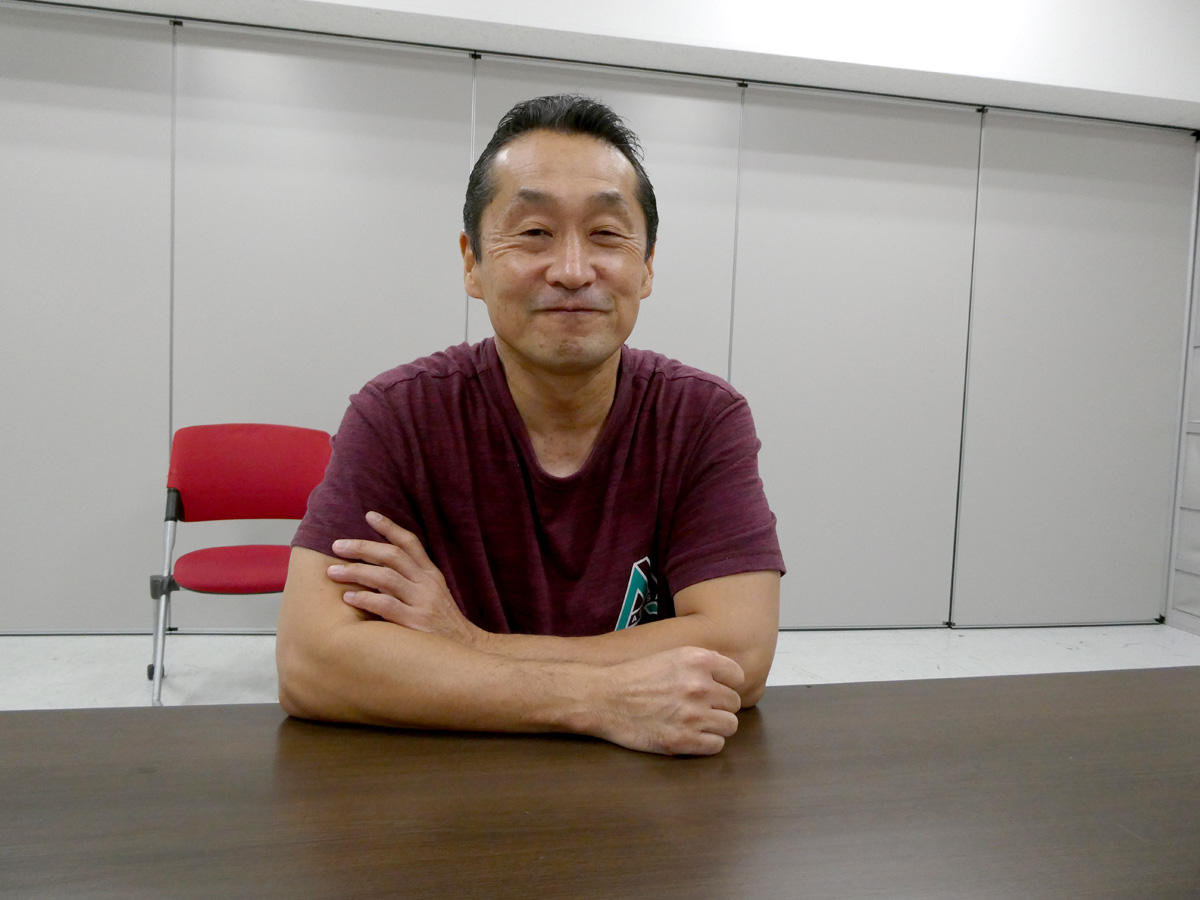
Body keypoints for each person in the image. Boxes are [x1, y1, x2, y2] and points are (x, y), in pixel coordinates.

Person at [276, 94, 784, 756]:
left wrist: (468, 644)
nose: (572, 270)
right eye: (534, 232)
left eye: (607, 235)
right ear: (472, 263)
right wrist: (599, 699)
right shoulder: (398, 416)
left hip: (646, 797)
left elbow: (739, 650)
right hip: (445, 792)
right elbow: (312, 662)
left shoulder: (701, 417)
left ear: (647, 265)